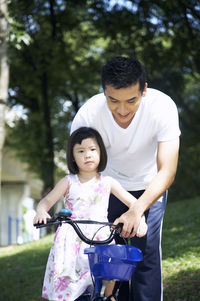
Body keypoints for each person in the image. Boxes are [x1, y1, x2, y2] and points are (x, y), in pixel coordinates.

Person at [70, 56, 181, 301]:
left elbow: (167, 169)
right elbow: (80, 169)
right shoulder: (88, 114)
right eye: (113, 100)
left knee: (146, 254)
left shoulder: (163, 107)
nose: (122, 110)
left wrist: (137, 209)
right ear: (104, 93)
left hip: (149, 184)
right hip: (106, 186)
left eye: (131, 100)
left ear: (144, 90)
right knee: (107, 259)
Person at [33, 126, 147, 301]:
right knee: (70, 283)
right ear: (72, 156)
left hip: (100, 235)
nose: (87, 155)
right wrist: (41, 211)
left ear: (101, 152)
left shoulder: (108, 182)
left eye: (92, 149)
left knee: (110, 274)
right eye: (81, 151)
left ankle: (108, 296)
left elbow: (135, 204)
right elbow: (46, 201)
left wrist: (141, 220)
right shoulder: (68, 181)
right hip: (72, 239)